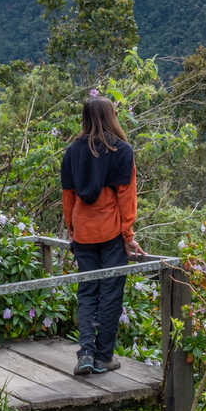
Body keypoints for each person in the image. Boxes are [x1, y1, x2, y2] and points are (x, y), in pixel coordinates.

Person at [61, 95, 143, 375]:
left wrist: (73, 230)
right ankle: (104, 357)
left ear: (85, 118)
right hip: (110, 234)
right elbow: (126, 197)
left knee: (87, 293)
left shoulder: (72, 151)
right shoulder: (122, 150)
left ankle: (85, 354)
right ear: (111, 116)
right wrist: (128, 234)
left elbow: (68, 197)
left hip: (83, 234)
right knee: (110, 295)